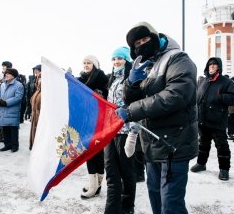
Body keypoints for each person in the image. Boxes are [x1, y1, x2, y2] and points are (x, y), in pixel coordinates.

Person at [116, 22, 198, 214]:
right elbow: (131, 99)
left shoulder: (177, 59)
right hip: (152, 143)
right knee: (156, 197)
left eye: (145, 39)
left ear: (156, 38)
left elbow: (175, 95)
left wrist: (131, 111)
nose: (142, 44)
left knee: (171, 204)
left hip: (174, 143)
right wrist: (132, 83)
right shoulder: (146, 65)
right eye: (138, 43)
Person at [191, 57, 234, 181]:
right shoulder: (204, 81)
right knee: (203, 144)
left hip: (217, 120)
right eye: (210, 65)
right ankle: (201, 164)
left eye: (214, 65)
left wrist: (220, 97)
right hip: (203, 119)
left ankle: (224, 169)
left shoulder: (226, 82)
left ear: (219, 67)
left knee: (222, 146)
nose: (212, 67)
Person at [103, 46, 136, 214]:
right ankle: (111, 208)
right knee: (111, 171)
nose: (116, 62)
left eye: (120, 58)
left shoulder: (131, 79)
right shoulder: (112, 79)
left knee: (126, 171)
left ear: (126, 60)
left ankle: (127, 206)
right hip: (110, 131)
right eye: (114, 59)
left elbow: (135, 102)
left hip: (125, 131)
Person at [77, 55, 108, 199]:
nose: (86, 65)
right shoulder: (82, 79)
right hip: (86, 120)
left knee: (94, 152)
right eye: (84, 62)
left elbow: (105, 99)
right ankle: (94, 184)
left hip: (98, 120)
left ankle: (96, 186)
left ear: (94, 64)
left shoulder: (101, 78)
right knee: (89, 152)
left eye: (89, 62)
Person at [0, 68, 24, 152]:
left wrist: (6, 102)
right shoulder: (2, 84)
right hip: (3, 110)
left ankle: (15, 146)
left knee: (13, 129)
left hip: (12, 110)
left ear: (13, 75)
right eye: (6, 74)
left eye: (8, 74)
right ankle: (7, 145)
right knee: (5, 129)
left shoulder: (19, 85)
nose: (6, 75)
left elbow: (18, 98)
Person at [29, 65, 42, 150]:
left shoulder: (45, 91)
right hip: (35, 116)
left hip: (41, 118)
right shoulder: (38, 90)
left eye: (38, 72)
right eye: (35, 72)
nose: (35, 74)